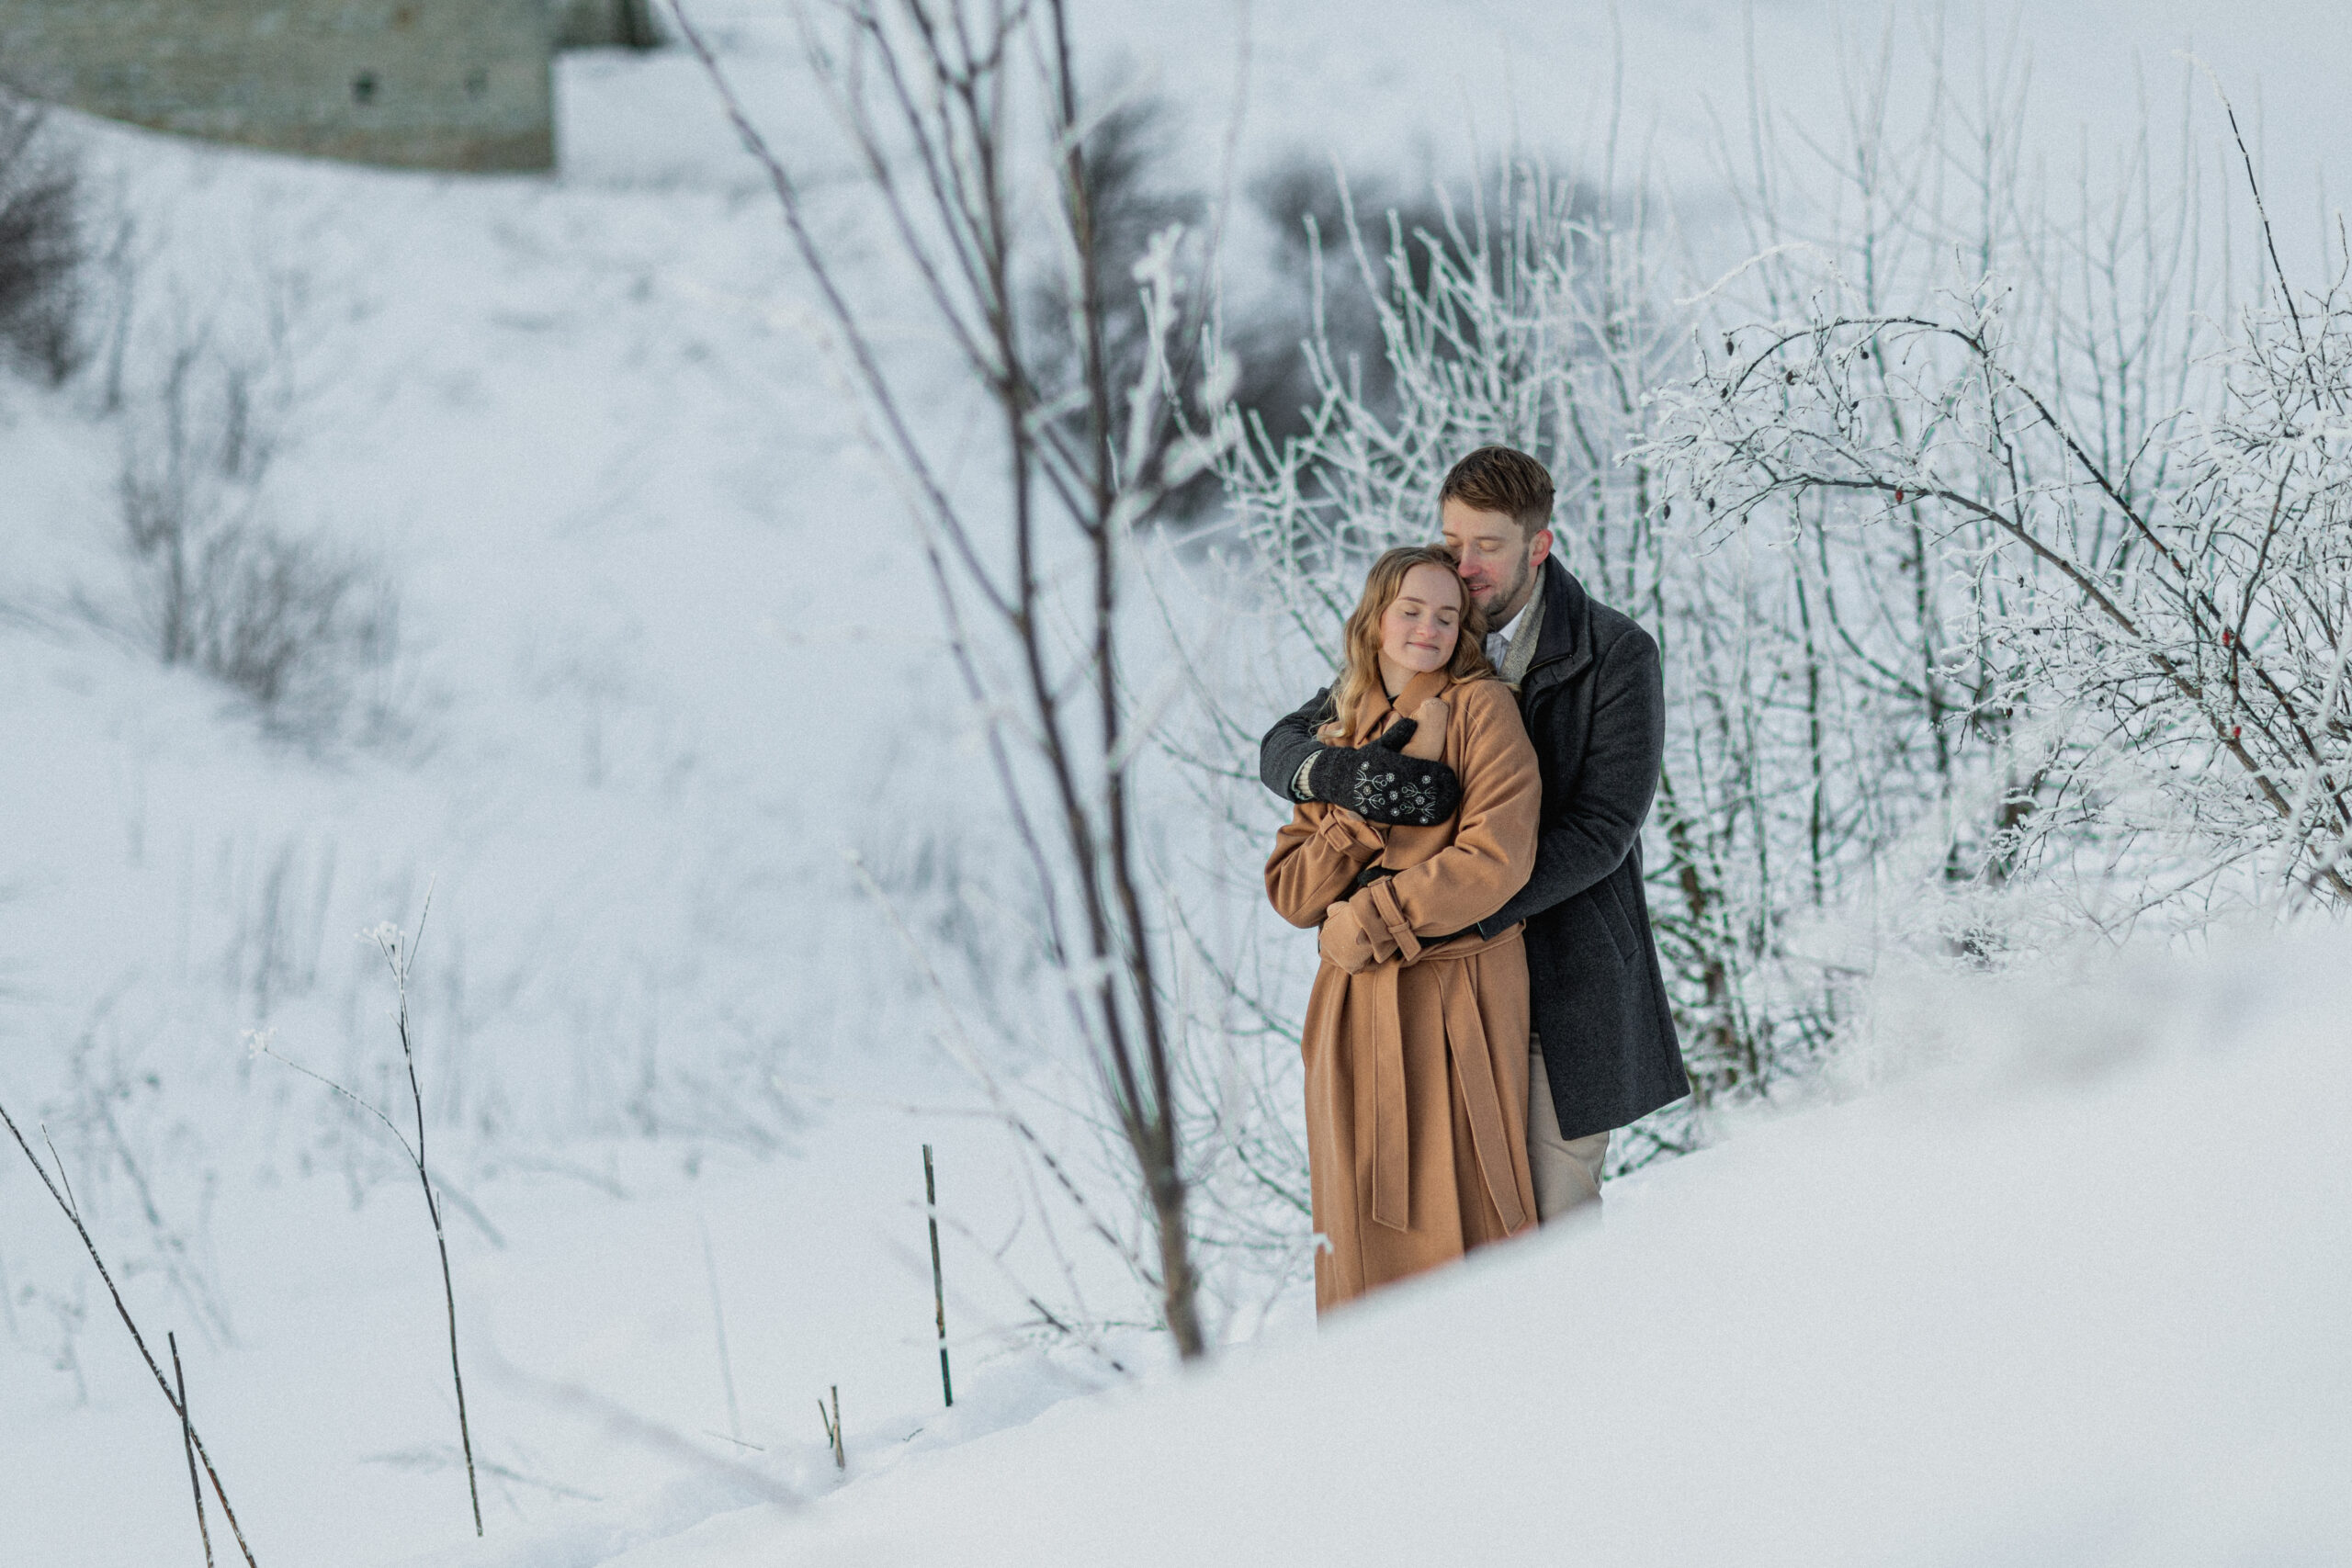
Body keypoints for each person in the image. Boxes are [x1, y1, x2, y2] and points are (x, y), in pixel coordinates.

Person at [1262, 446, 1687, 1224]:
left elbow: (1602, 830)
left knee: (1549, 1218)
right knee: (1454, 1228)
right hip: (1437, 988)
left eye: (1486, 545)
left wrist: (1463, 904)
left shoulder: (1618, 654)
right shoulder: (1433, 632)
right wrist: (1343, 778)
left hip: (1563, 977)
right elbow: (1285, 741)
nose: (1463, 564)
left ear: (1539, 545)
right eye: (1452, 541)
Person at [1265, 545, 1544, 1313]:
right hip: (1353, 1009)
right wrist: (1357, 804)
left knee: (1464, 1222)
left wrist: (1374, 915)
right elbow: (1291, 892)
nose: (1429, 628)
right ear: (1376, 618)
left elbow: (1500, 855)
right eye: (1412, 610)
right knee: (1359, 1232)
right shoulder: (1341, 727)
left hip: (1456, 995)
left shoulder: (1484, 708)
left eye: (1448, 615)